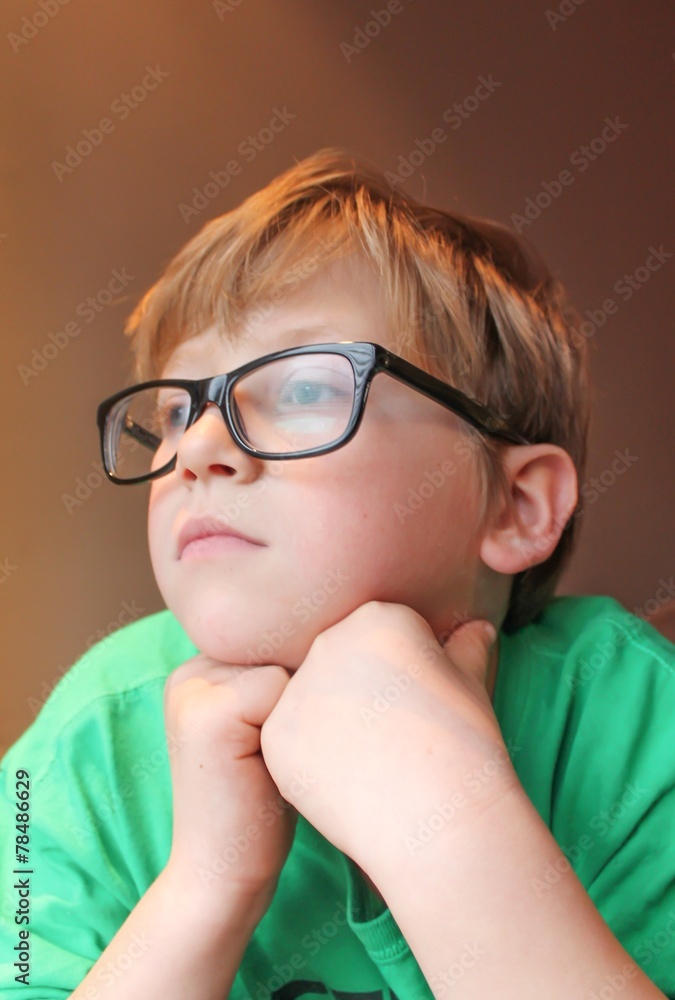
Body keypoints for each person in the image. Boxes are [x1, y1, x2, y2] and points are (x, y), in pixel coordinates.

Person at [1, 149, 673, 1000]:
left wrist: (453, 830)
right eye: (178, 410)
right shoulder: (82, 744)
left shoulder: (632, 719)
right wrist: (206, 887)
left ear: (515, 506)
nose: (199, 449)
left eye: (302, 389)